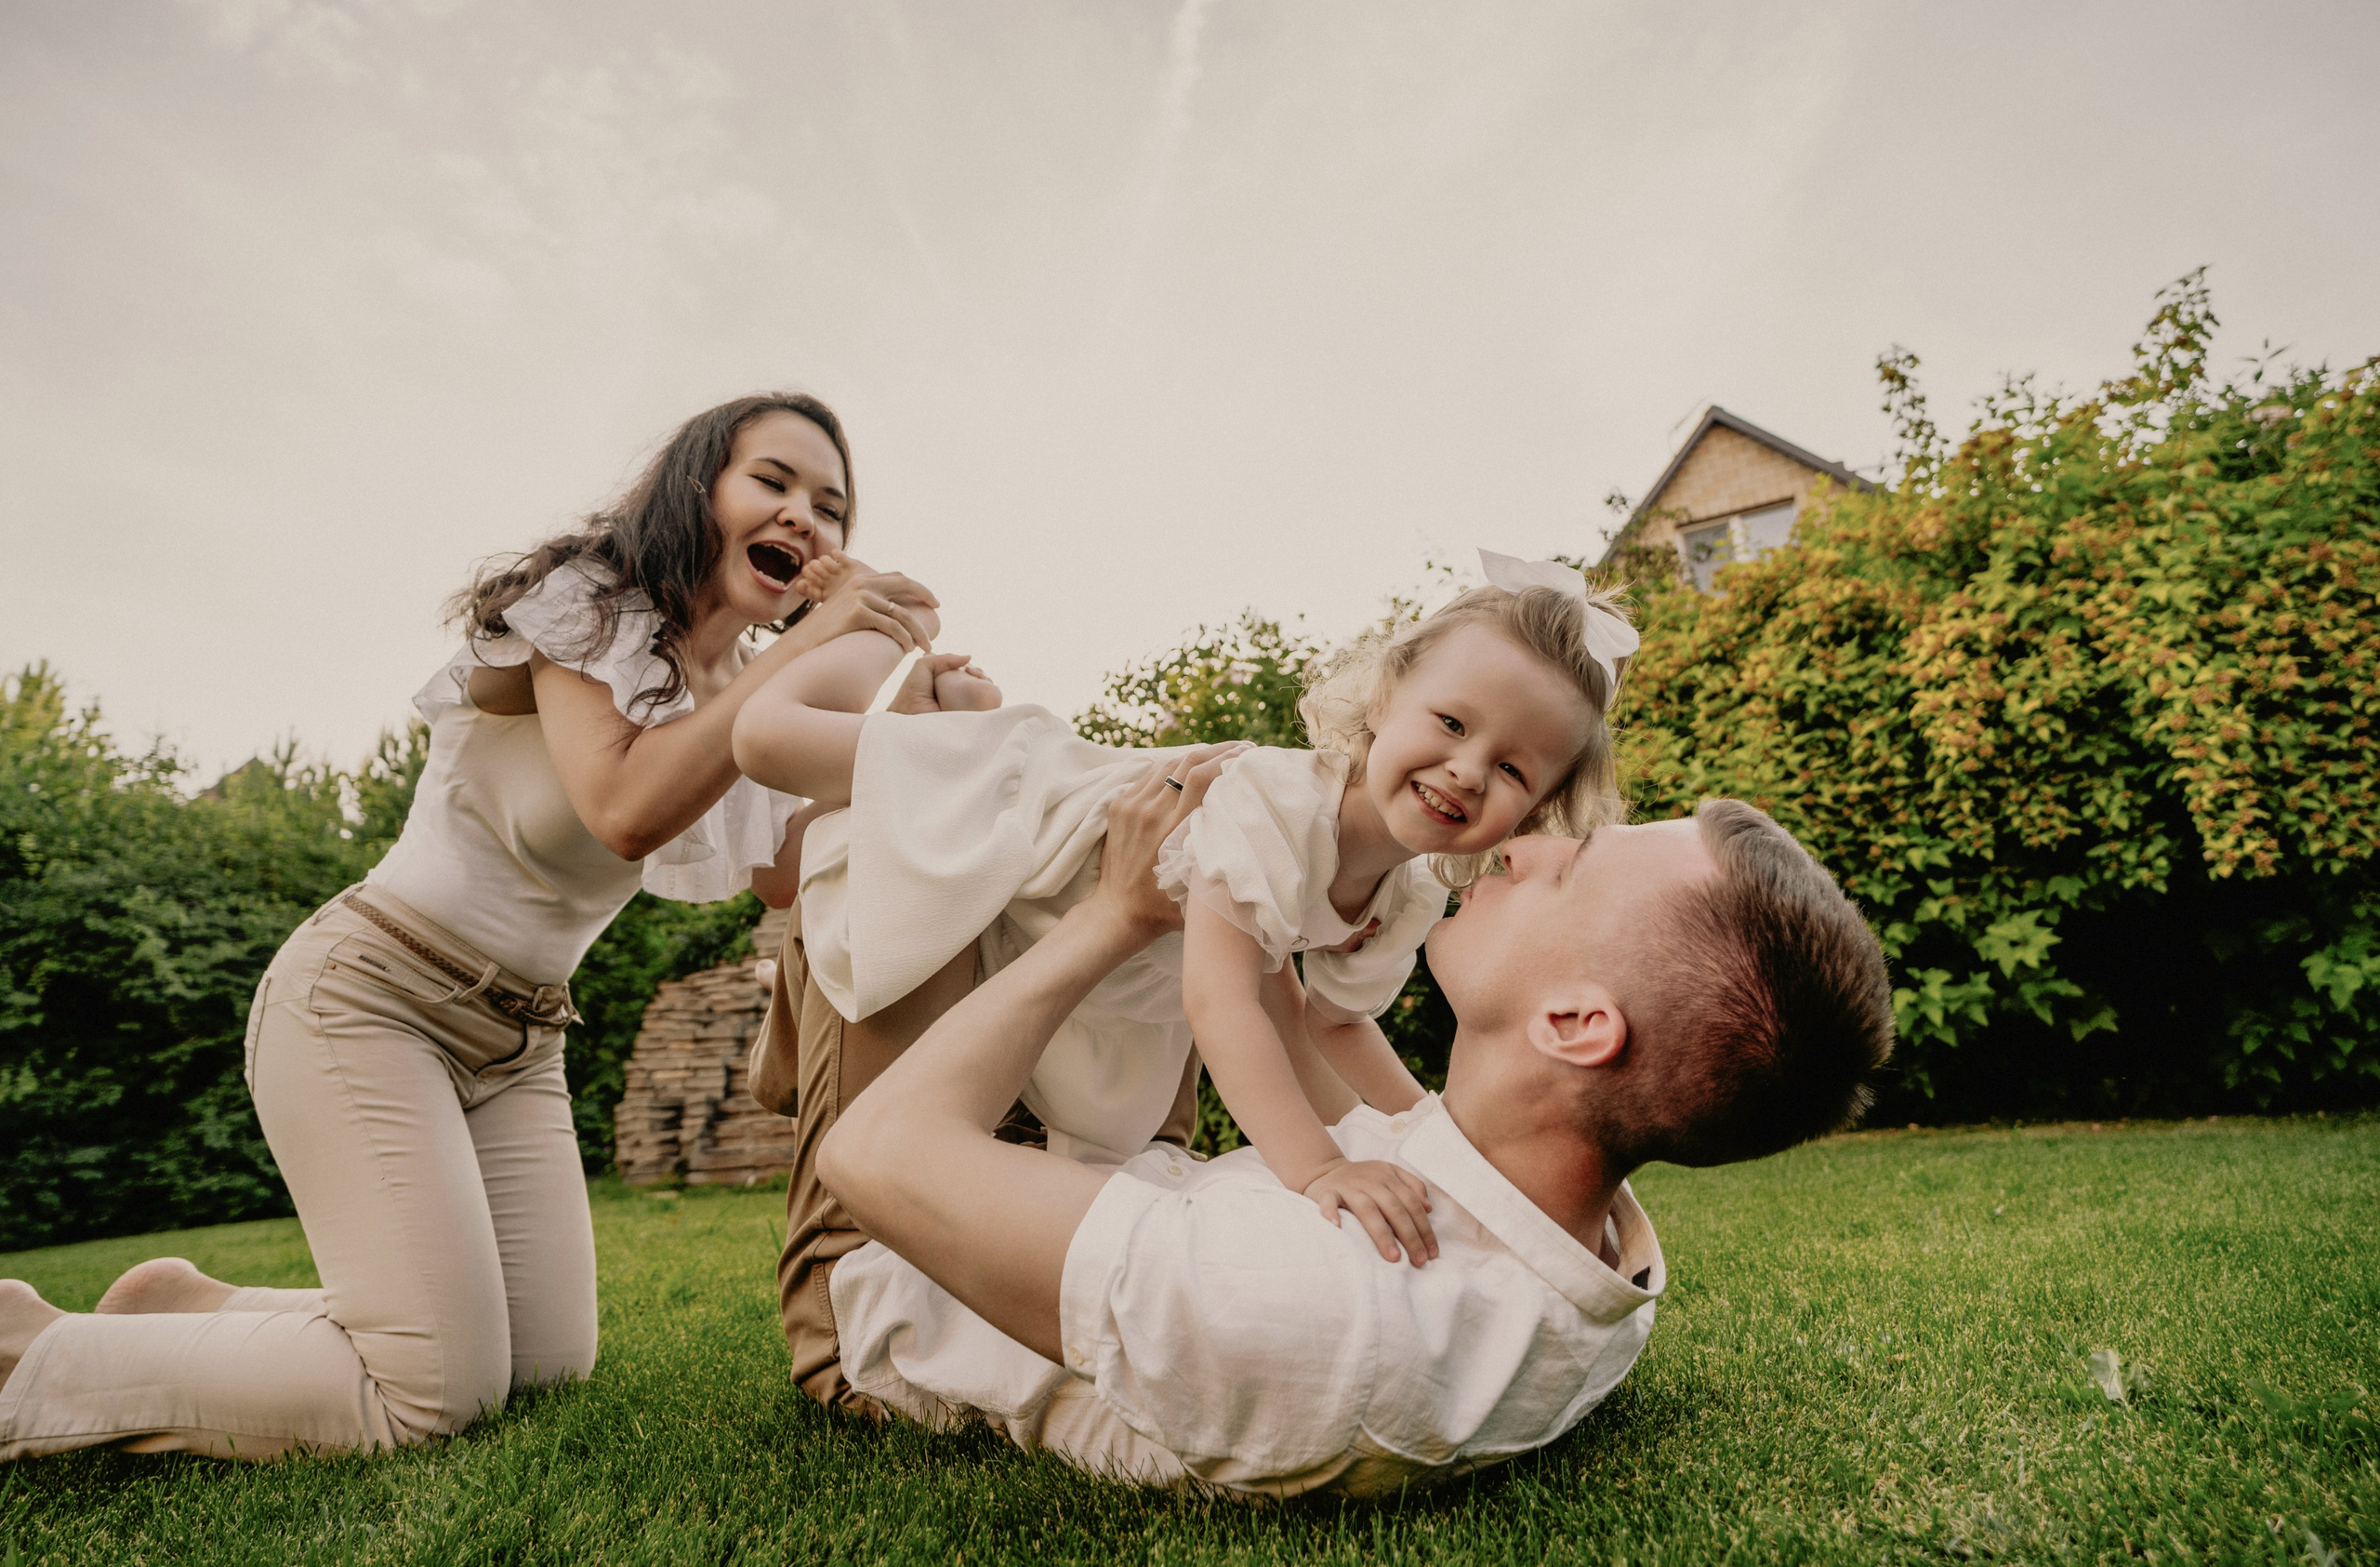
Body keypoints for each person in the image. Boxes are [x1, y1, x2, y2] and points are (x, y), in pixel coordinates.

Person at [0, 392, 938, 1462]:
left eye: (832, 507)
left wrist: (910, 725)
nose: (804, 519)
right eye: (771, 482)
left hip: (521, 1044)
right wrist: (810, 648)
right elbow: (626, 807)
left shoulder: (735, 694)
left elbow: (780, 874)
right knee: (429, 1394)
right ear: (698, 486)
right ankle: (30, 1347)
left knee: (539, 1370)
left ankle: (185, 1306)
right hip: (370, 999)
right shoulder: (593, 601)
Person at [805, 755, 1897, 1496]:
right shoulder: (1574, 1224)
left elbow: (875, 1156)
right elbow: (1311, 1026)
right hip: (1135, 1181)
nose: (1521, 846)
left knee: (890, 845)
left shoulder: (1310, 1298)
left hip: (886, 1283)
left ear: (1574, 1024)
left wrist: (1117, 913)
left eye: (1572, 866)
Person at [733, 551, 1639, 1272]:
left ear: (1543, 807)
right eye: (1449, 723)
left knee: (817, 859)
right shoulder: (1274, 805)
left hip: (1050, 928)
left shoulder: (1406, 890)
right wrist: (1318, 1167)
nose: (1468, 769)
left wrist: (1428, 1137)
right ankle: (869, 625)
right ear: (1383, 697)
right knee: (768, 746)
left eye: (1514, 768)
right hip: (1022, 805)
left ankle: (941, 704)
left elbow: (1333, 1020)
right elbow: (1221, 1001)